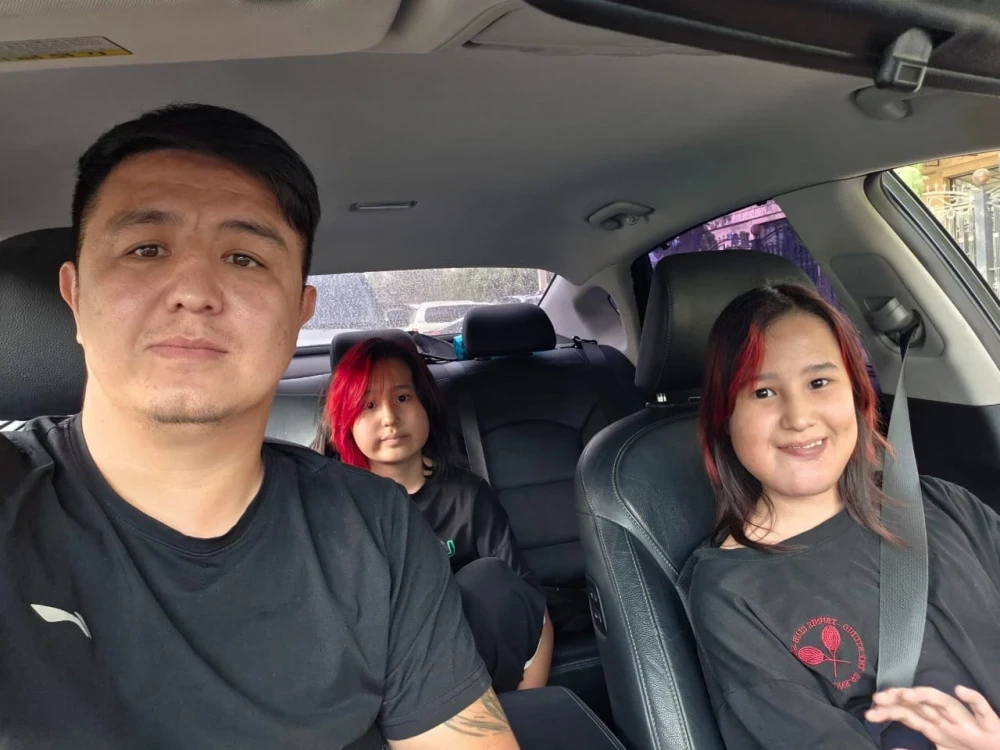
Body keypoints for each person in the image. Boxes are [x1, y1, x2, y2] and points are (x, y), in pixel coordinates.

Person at [0, 104, 520, 749]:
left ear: (301, 313)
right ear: (76, 295)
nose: (194, 291)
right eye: (146, 249)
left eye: (244, 258)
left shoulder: (377, 528)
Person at [683, 283, 1000, 750]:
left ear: (856, 392)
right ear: (724, 418)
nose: (799, 417)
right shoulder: (731, 597)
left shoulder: (942, 504)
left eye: (819, 383)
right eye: (763, 391)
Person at [315, 336, 555, 694]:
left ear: (425, 404)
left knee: (489, 579)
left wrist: (528, 706)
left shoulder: (467, 496)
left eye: (402, 398)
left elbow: (530, 609)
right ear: (345, 422)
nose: (389, 418)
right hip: (388, 684)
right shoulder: (336, 511)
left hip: (479, 676)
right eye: (368, 405)